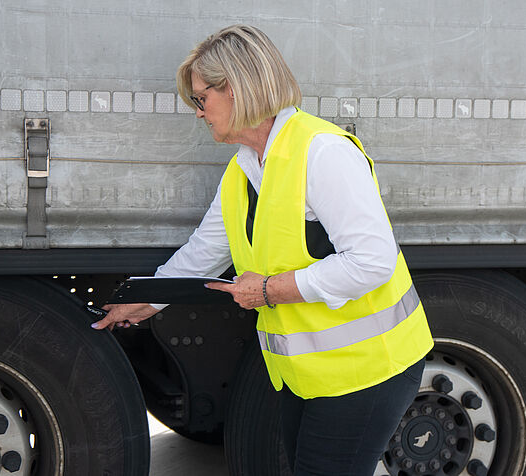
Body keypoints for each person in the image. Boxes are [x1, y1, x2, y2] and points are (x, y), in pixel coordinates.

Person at [91, 24, 434, 476]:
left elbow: (372, 263)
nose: (198, 113)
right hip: (309, 376)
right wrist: (143, 301)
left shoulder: (322, 152)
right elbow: (203, 253)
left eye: (201, 99)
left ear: (236, 87)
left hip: (369, 371)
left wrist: (271, 290)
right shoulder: (243, 169)